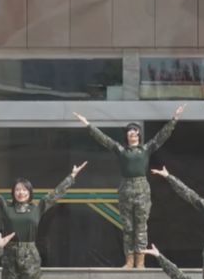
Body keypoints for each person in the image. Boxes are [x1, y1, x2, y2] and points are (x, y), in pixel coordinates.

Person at [74, 105, 184, 269]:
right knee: (128, 226)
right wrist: (88, 125)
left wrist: (174, 120)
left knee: (141, 226)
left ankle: (140, 261)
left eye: (134, 130)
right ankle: (129, 260)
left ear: (138, 134)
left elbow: (161, 137)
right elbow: (104, 139)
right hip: (126, 188)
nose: (132, 133)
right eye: (129, 131)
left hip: (142, 188)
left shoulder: (145, 149)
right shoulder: (121, 150)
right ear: (127, 135)